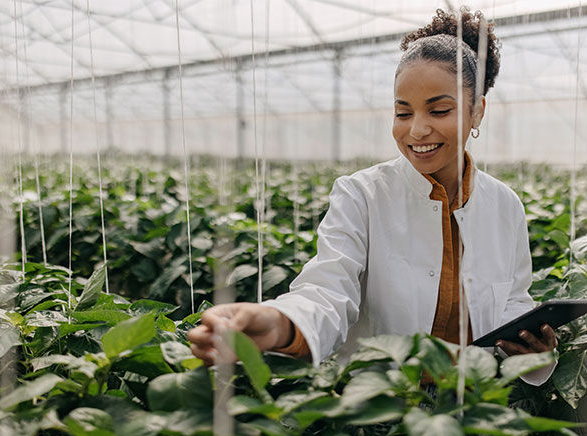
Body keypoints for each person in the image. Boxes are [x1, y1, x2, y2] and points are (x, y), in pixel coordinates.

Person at [188, 8, 557, 385]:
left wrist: (535, 349)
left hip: (476, 406)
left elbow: (513, 299)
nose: (416, 130)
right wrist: (281, 325)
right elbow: (327, 290)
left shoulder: (505, 206)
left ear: (477, 112)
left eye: (440, 110)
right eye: (402, 112)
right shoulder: (361, 194)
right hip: (378, 411)